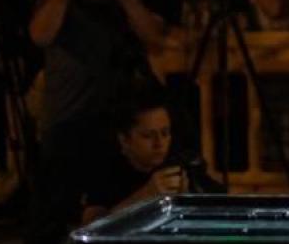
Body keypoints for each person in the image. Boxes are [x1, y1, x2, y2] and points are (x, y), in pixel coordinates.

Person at [10, 0, 168, 244]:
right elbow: (39, 34)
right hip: (67, 117)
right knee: (52, 204)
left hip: (112, 120)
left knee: (108, 204)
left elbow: (154, 38)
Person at [80, 84, 221, 224]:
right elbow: (90, 228)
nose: (159, 143)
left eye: (165, 133)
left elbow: (217, 206)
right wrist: (146, 195)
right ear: (124, 140)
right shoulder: (104, 169)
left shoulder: (177, 162)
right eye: (148, 136)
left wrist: (186, 198)